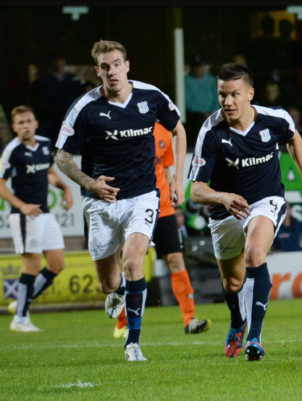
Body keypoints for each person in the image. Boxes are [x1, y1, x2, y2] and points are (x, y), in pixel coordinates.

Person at [55, 40, 186, 361]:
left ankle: (133, 342)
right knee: (109, 282)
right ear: (97, 71)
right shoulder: (84, 107)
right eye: (104, 66)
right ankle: (116, 293)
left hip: (142, 196)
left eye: (116, 64)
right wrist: (90, 183)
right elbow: (62, 155)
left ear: (127, 66)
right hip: (100, 202)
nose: (111, 71)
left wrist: (178, 177)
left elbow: (178, 131)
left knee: (132, 262)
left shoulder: (152, 97)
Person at [188, 63, 302, 361]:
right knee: (232, 283)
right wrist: (223, 197)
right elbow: (196, 190)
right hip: (226, 212)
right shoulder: (211, 132)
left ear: (250, 94)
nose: (227, 102)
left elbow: (293, 138)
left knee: (255, 254)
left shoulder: (274, 119)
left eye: (234, 94)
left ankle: (255, 338)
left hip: (266, 201)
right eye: (222, 95)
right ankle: (238, 322)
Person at [113, 122, 211, 339]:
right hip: (135, 208)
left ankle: (190, 319)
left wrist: (172, 190)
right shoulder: (125, 128)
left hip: (163, 208)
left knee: (176, 260)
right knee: (129, 262)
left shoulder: (164, 131)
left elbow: (165, 169)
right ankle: (122, 322)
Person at [0, 106, 73, 332]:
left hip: (45, 212)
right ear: (14, 128)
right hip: (25, 216)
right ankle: (20, 318)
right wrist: (21, 206)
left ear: (35, 123)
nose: (25, 126)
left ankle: (21, 304)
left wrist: (65, 187)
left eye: (28, 121)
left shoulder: (43, 143)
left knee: (57, 264)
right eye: (20, 123)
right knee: (31, 264)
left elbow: (49, 172)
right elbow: (0, 183)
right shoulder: (12, 151)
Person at [185, 55, 219, 142]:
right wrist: (204, 113)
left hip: (213, 113)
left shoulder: (212, 80)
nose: (199, 68)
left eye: (201, 66)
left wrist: (212, 112)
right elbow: (188, 103)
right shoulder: (186, 81)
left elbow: (218, 98)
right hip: (197, 116)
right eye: (197, 66)